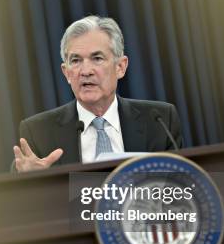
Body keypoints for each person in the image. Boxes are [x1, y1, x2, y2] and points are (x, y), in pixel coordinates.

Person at [13, 15, 183, 173]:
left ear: (120, 67)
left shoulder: (159, 122)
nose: (86, 71)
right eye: (76, 60)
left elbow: (179, 189)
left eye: (97, 58)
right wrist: (32, 181)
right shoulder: (38, 132)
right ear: (66, 73)